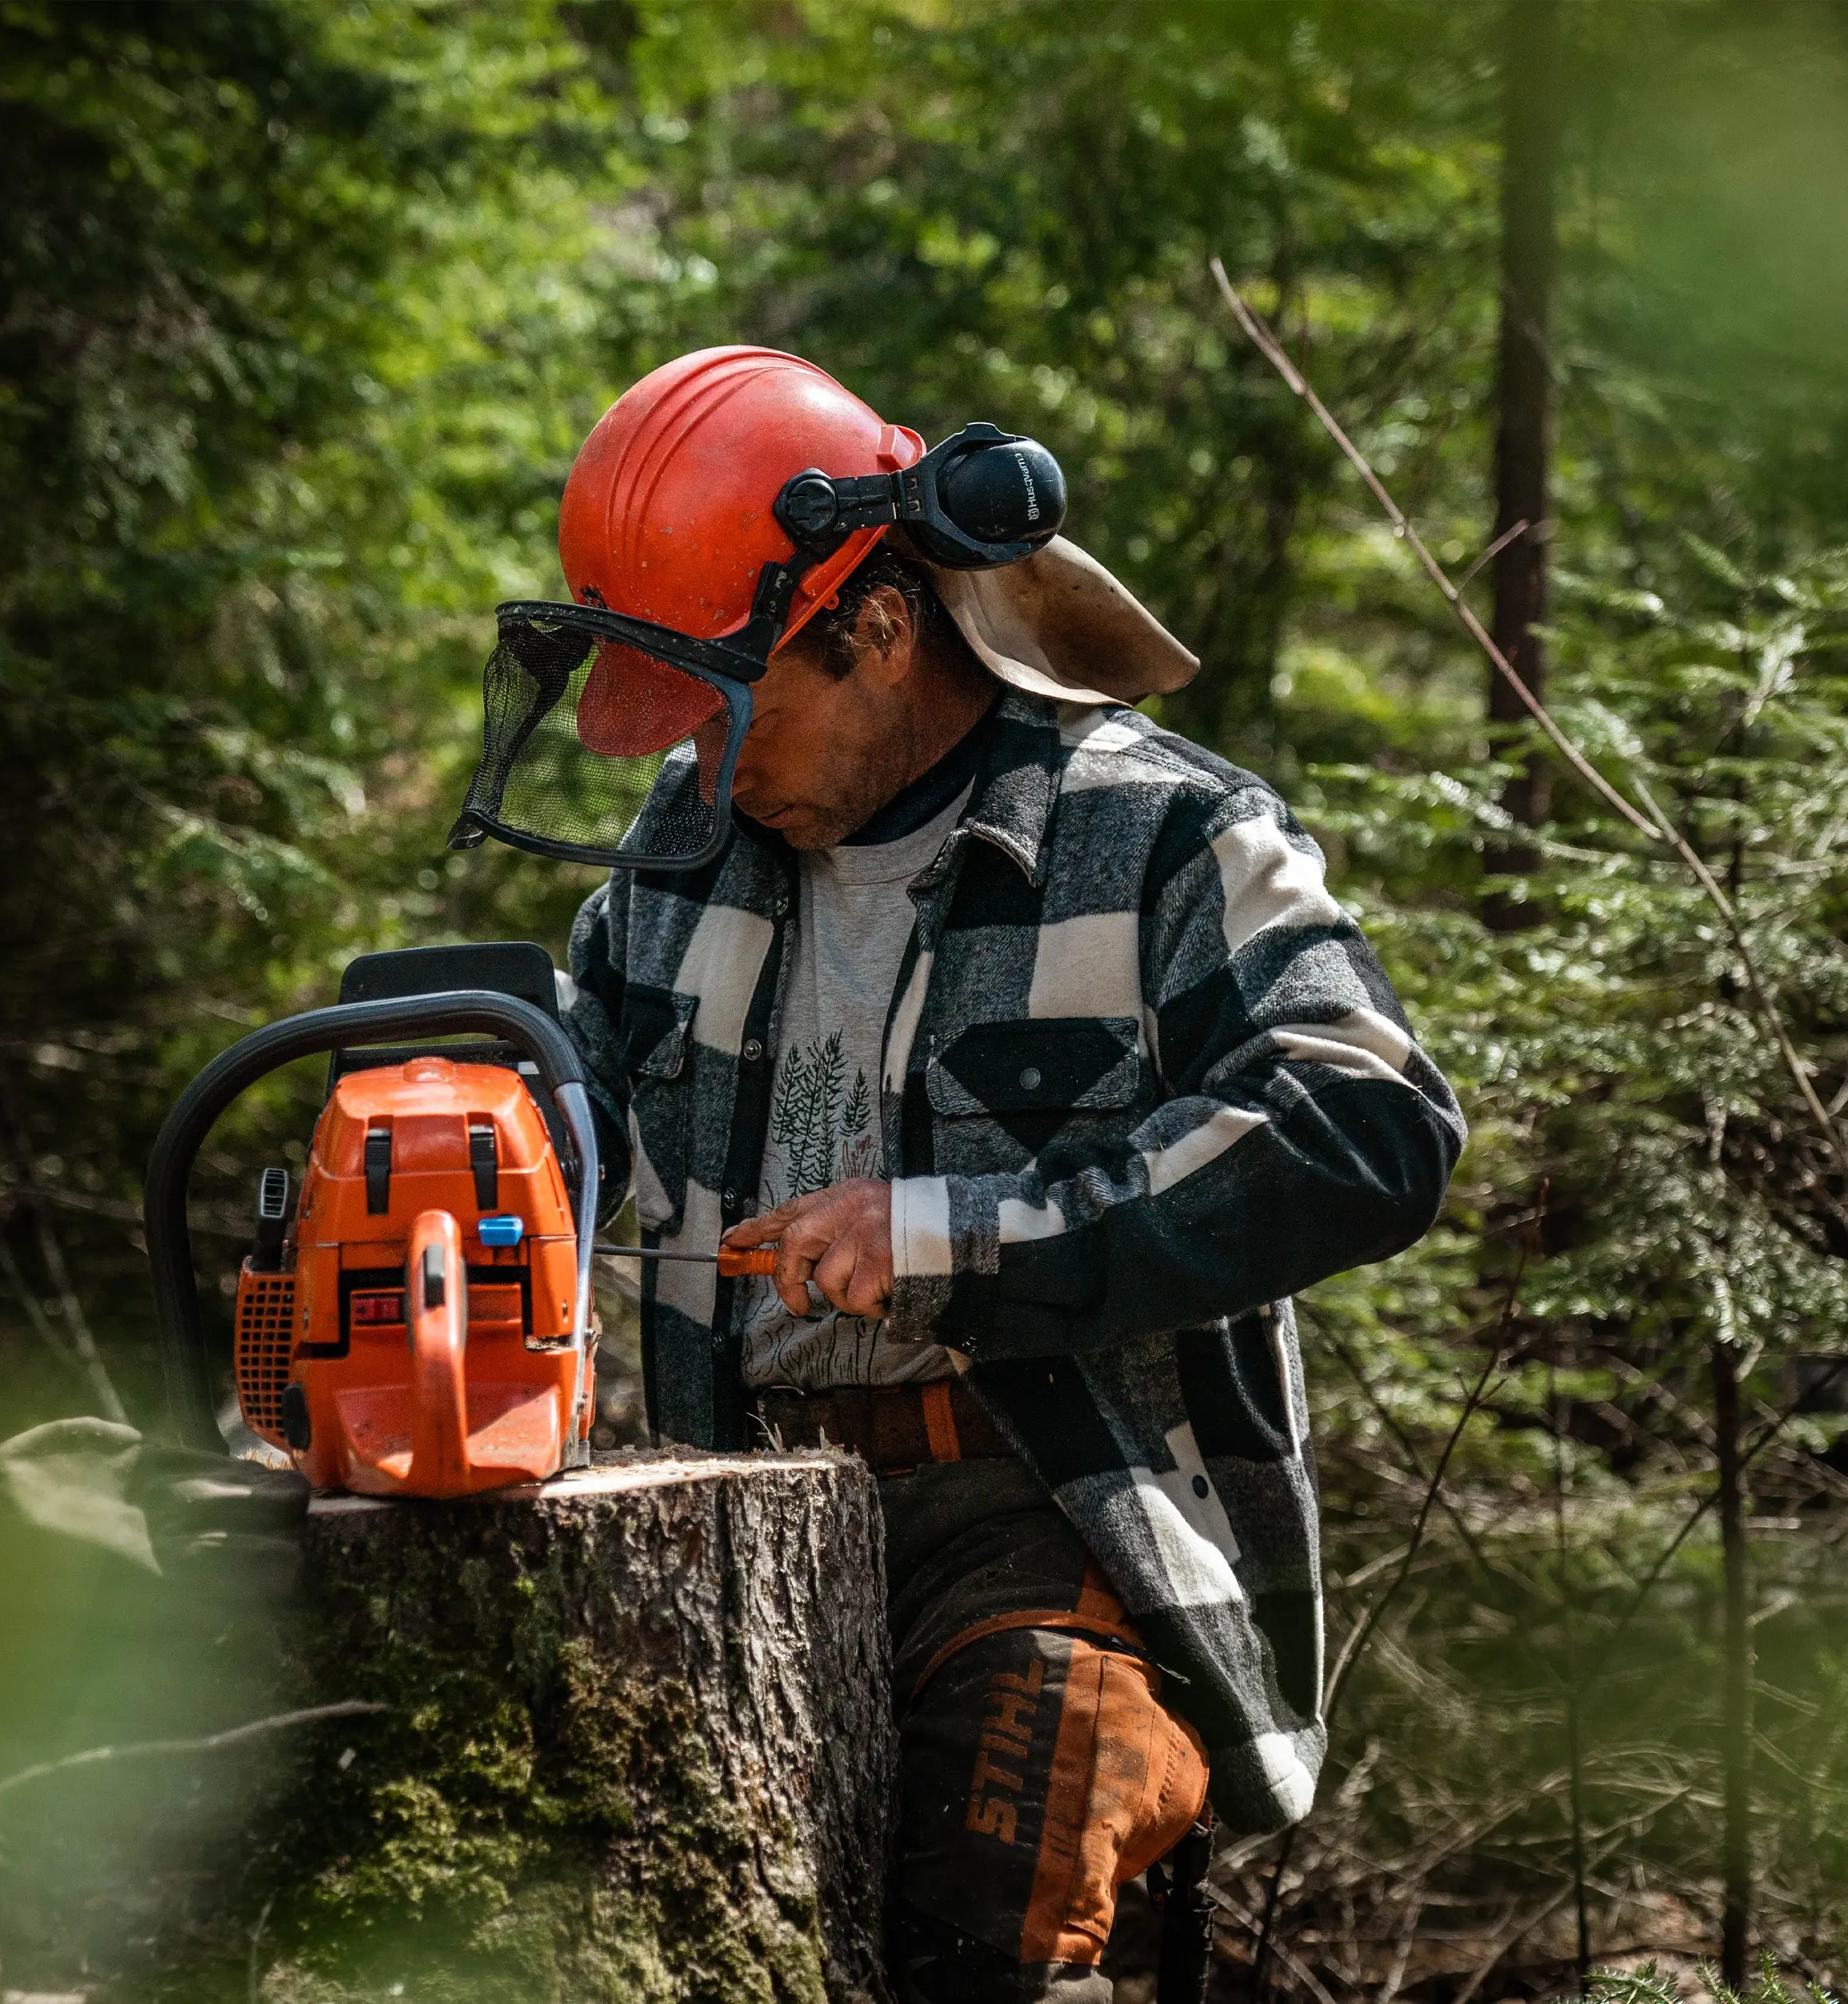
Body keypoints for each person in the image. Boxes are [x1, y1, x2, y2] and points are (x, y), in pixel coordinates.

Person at [489, 348, 1465, 2001]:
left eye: (734, 709)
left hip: (1043, 1496)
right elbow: (560, 1119)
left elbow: (1365, 1125)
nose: (704, 765)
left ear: (872, 627)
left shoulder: (1154, 837)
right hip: (729, 1512)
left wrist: (960, 1233)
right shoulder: (678, 852)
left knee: (983, 1913)